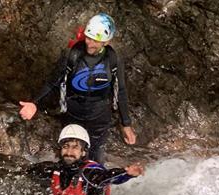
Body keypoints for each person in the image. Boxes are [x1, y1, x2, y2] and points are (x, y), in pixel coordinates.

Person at [19, 13, 137, 163]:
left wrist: (126, 124)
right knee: (69, 154)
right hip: (73, 113)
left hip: (100, 115)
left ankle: (96, 183)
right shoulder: (72, 55)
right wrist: (34, 103)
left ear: (106, 42)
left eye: (95, 40)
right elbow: (52, 82)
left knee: (95, 155)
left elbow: (120, 91)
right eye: (88, 37)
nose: (89, 43)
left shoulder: (113, 59)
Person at [24, 124, 144, 195]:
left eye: (75, 147)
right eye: (66, 146)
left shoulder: (90, 174)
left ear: (83, 152)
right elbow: (25, 171)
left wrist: (126, 173)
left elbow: (107, 177)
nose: (69, 152)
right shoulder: (53, 169)